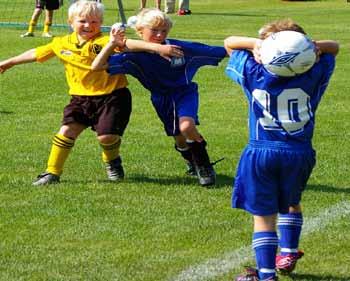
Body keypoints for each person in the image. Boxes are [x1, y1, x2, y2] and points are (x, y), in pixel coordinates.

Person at [0, 1, 182, 186]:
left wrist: (159, 47)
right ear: (71, 22)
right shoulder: (61, 43)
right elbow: (36, 52)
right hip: (80, 98)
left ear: (101, 22)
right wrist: (9, 62)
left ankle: (112, 161)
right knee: (66, 131)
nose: (89, 26)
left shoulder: (102, 42)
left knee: (106, 137)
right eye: (83, 21)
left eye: (95, 22)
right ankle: (51, 172)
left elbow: (128, 43)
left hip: (112, 97)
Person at [224, 19, 339, 281]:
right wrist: (308, 47)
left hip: (261, 151)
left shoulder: (254, 70)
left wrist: (257, 45)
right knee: (290, 203)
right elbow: (335, 47)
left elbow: (229, 42)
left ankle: (265, 275)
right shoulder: (315, 71)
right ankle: (287, 252)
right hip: (299, 152)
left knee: (263, 217)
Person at [92, 8, 226, 187]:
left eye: (164, 30)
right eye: (154, 30)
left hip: (184, 92)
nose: (159, 34)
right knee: (179, 139)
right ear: (140, 32)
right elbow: (97, 66)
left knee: (187, 126)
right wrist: (112, 44)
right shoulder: (134, 56)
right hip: (161, 99)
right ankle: (191, 162)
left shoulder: (178, 48)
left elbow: (216, 51)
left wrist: (254, 48)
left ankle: (204, 165)